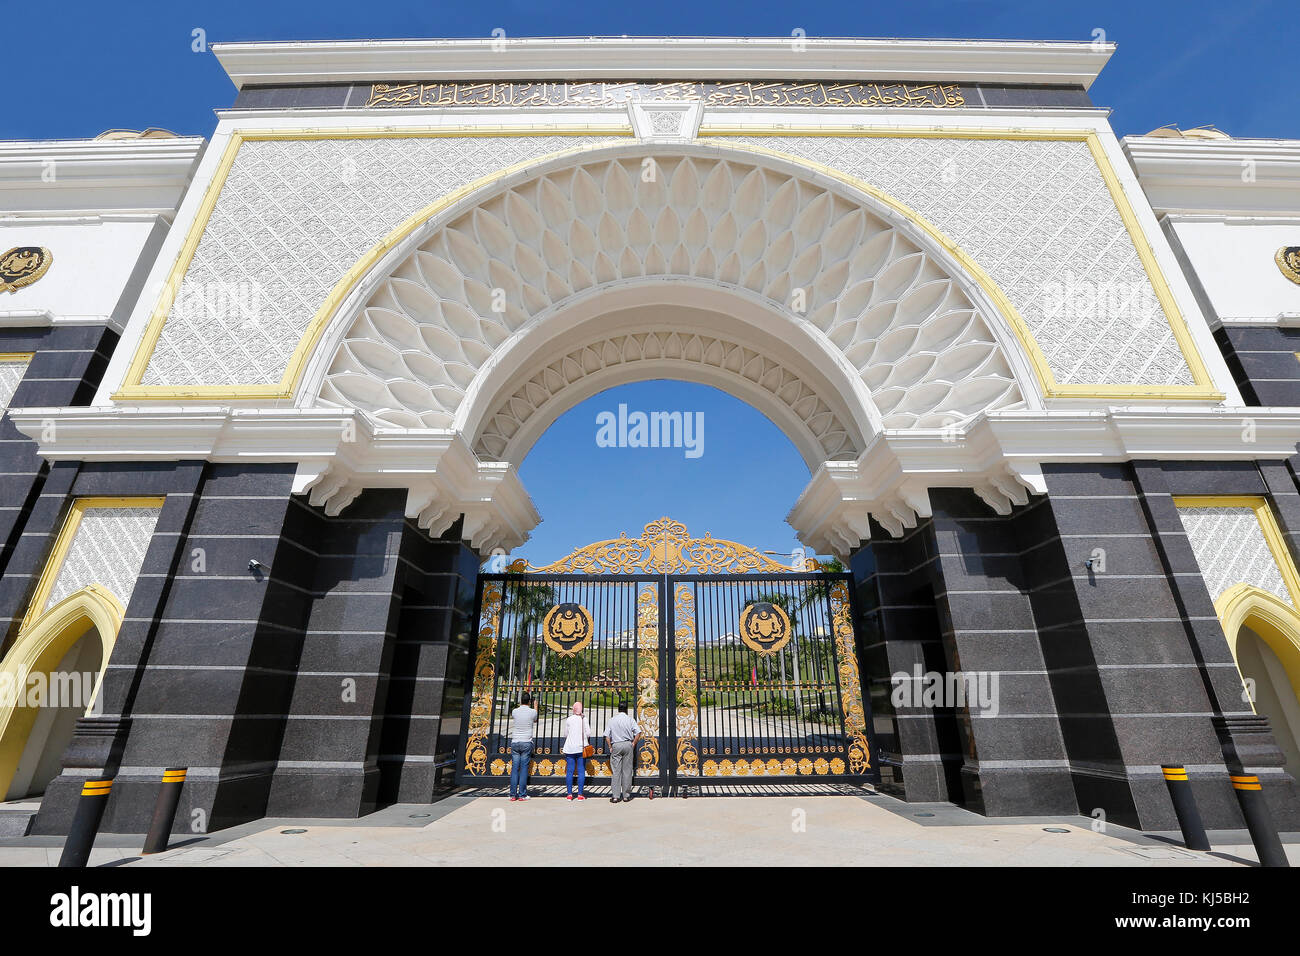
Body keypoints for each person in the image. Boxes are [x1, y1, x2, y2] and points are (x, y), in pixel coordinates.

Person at [605, 701, 641, 803]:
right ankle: (626, 795)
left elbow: (607, 735)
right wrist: (633, 743)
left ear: (618, 709)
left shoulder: (612, 720)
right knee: (627, 771)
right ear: (626, 710)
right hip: (627, 744)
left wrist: (610, 746)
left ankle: (616, 796)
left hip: (616, 744)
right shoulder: (630, 720)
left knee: (616, 771)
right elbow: (638, 732)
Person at [561, 701, 593, 800]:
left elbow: (565, 734)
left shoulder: (569, 719)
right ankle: (580, 794)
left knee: (570, 771)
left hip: (570, 747)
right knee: (581, 770)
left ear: (573, 709)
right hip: (580, 747)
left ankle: (569, 794)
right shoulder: (584, 719)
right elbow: (588, 733)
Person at [508, 693, 537, 801]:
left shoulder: (515, 711)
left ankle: (512, 794)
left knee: (515, 769)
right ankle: (522, 794)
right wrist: (535, 706)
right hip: (526, 742)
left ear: (521, 701)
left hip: (515, 741)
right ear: (529, 701)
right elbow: (535, 719)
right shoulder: (532, 712)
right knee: (524, 769)